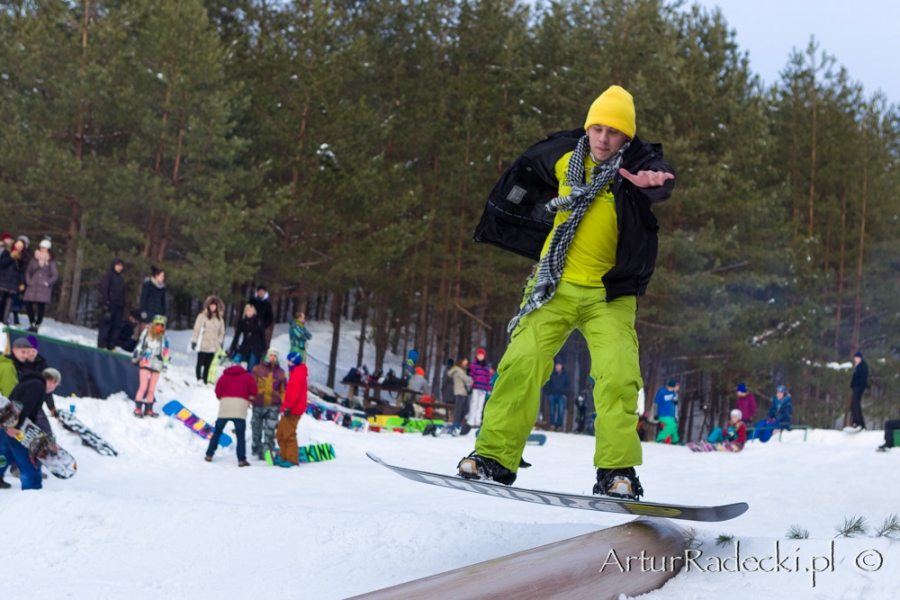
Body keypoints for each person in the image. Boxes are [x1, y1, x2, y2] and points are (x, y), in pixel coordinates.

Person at [458, 85, 675, 499]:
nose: (603, 138)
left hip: (609, 296)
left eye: (613, 132)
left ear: (626, 137)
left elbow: (659, 180)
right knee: (521, 363)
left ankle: (616, 471)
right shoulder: (563, 154)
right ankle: (493, 458)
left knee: (617, 376)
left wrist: (655, 183)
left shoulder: (638, 164)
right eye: (597, 128)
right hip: (553, 286)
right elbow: (522, 174)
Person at [0, 368, 61, 490]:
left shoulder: (29, 381)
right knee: (28, 462)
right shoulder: (38, 386)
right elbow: (24, 406)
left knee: (4, 455)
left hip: (6, 424)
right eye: (56, 386)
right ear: (53, 381)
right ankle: (32, 494)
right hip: (16, 428)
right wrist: (15, 427)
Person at [206, 359, 257, 466]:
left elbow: (218, 389)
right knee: (240, 434)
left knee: (218, 431)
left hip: (225, 405)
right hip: (240, 406)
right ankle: (241, 459)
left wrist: (222, 398)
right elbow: (253, 389)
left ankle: (209, 454)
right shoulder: (247, 376)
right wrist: (250, 398)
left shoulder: (224, 376)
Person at [250, 348, 286, 459]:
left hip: (273, 404)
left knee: (270, 429)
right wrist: (250, 397)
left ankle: (268, 450)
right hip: (258, 402)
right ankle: (256, 448)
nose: (273, 358)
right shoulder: (257, 369)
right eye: (271, 355)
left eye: (275, 356)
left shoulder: (281, 373)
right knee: (256, 426)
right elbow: (251, 383)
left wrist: (283, 404)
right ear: (267, 356)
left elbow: (283, 390)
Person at [131, 315, 169, 418]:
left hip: (157, 363)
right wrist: (136, 356)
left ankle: (149, 408)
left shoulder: (163, 337)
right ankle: (138, 407)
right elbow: (140, 345)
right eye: (157, 324)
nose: (159, 326)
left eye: (161, 325)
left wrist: (165, 364)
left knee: (152, 388)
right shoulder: (147, 333)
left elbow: (165, 352)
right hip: (146, 360)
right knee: (143, 386)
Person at [274, 352, 308, 466]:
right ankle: (284, 456)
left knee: (288, 434)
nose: (287, 363)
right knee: (280, 434)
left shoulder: (297, 374)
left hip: (293, 410)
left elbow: (294, 394)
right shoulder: (295, 373)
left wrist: (288, 407)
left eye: (289, 361)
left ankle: (292, 459)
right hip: (289, 408)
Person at [23, 239, 58, 334]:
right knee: (28, 304)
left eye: (45, 248)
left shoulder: (51, 261)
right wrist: (28, 281)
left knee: (40, 307)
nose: (43, 250)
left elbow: (55, 275)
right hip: (32, 286)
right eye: (42, 247)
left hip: (43, 288)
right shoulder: (34, 259)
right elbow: (28, 271)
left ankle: (37, 325)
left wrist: (48, 283)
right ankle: (32, 323)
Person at [191, 295, 226, 382]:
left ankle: (205, 380)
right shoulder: (202, 316)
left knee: (208, 365)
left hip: (213, 346)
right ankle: (199, 378)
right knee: (200, 363)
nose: (212, 307)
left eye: (214, 305)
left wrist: (218, 343)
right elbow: (196, 329)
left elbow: (221, 333)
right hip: (203, 344)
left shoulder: (220, 319)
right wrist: (194, 341)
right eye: (211, 305)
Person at [97, 258, 126, 350]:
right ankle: (103, 345)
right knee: (106, 325)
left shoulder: (121, 278)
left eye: (121, 266)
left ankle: (111, 345)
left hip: (119, 305)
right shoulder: (108, 276)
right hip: (110, 304)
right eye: (118, 265)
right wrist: (105, 303)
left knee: (116, 326)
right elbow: (104, 290)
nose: (120, 268)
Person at [229, 303, 266, 370]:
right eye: (248, 311)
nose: (250, 313)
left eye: (251, 311)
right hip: (245, 346)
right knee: (236, 361)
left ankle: (249, 379)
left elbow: (263, 336)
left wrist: (265, 349)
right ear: (245, 312)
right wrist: (232, 347)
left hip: (256, 348)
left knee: (251, 368)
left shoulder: (259, 321)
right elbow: (236, 336)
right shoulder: (242, 322)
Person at [444, 357, 473, 436]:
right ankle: (455, 424)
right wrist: (473, 378)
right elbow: (468, 380)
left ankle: (458, 423)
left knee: (466, 409)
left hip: (464, 392)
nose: (467, 362)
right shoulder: (458, 370)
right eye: (465, 360)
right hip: (460, 392)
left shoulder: (462, 370)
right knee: (459, 409)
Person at [0, 235, 25, 326]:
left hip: (13, 282)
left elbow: (21, 271)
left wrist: (22, 282)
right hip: (3, 280)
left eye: (21, 246)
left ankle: (4, 320)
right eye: (18, 245)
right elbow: (2, 264)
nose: (19, 247)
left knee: (9, 302)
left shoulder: (21, 258)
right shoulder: (6, 252)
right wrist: (11, 257)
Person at [467, 348, 492, 429]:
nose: (480, 357)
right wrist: (470, 386)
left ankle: (477, 422)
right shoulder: (474, 365)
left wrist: (489, 388)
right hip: (475, 388)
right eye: (479, 355)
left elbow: (488, 378)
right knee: (473, 405)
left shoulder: (486, 367)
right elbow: (471, 376)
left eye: (482, 355)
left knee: (480, 406)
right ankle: (471, 422)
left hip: (483, 389)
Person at [543, 361, 570, 432]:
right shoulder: (551, 374)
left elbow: (568, 385)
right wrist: (549, 393)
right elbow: (547, 384)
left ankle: (559, 426)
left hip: (561, 395)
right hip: (552, 395)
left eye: (559, 365)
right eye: (557, 365)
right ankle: (552, 425)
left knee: (561, 412)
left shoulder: (565, 374)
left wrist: (565, 394)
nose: (558, 366)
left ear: (562, 366)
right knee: (552, 411)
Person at [653, 379, 680, 444]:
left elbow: (674, 399)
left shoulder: (673, 392)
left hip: (670, 414)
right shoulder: (662, 391)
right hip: (662, 414)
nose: (671, 389)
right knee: (671, 425)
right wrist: (655, 414)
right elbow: (656, 403)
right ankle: (660, 438)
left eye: (672, 388)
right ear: (667, 386)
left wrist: (674, 402)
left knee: (674, 426)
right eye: (670, 388)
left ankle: (675, 440)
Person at [848, 351, 869, 431]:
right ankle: (860, 423)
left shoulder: (863, 367)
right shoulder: (858, 366)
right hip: (855, 387)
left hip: (858, 388)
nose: (855, 359)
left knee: (855, 406)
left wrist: (860, 391)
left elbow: (863, 380)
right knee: (854, 406)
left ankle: (857, 422)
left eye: (857, 358)